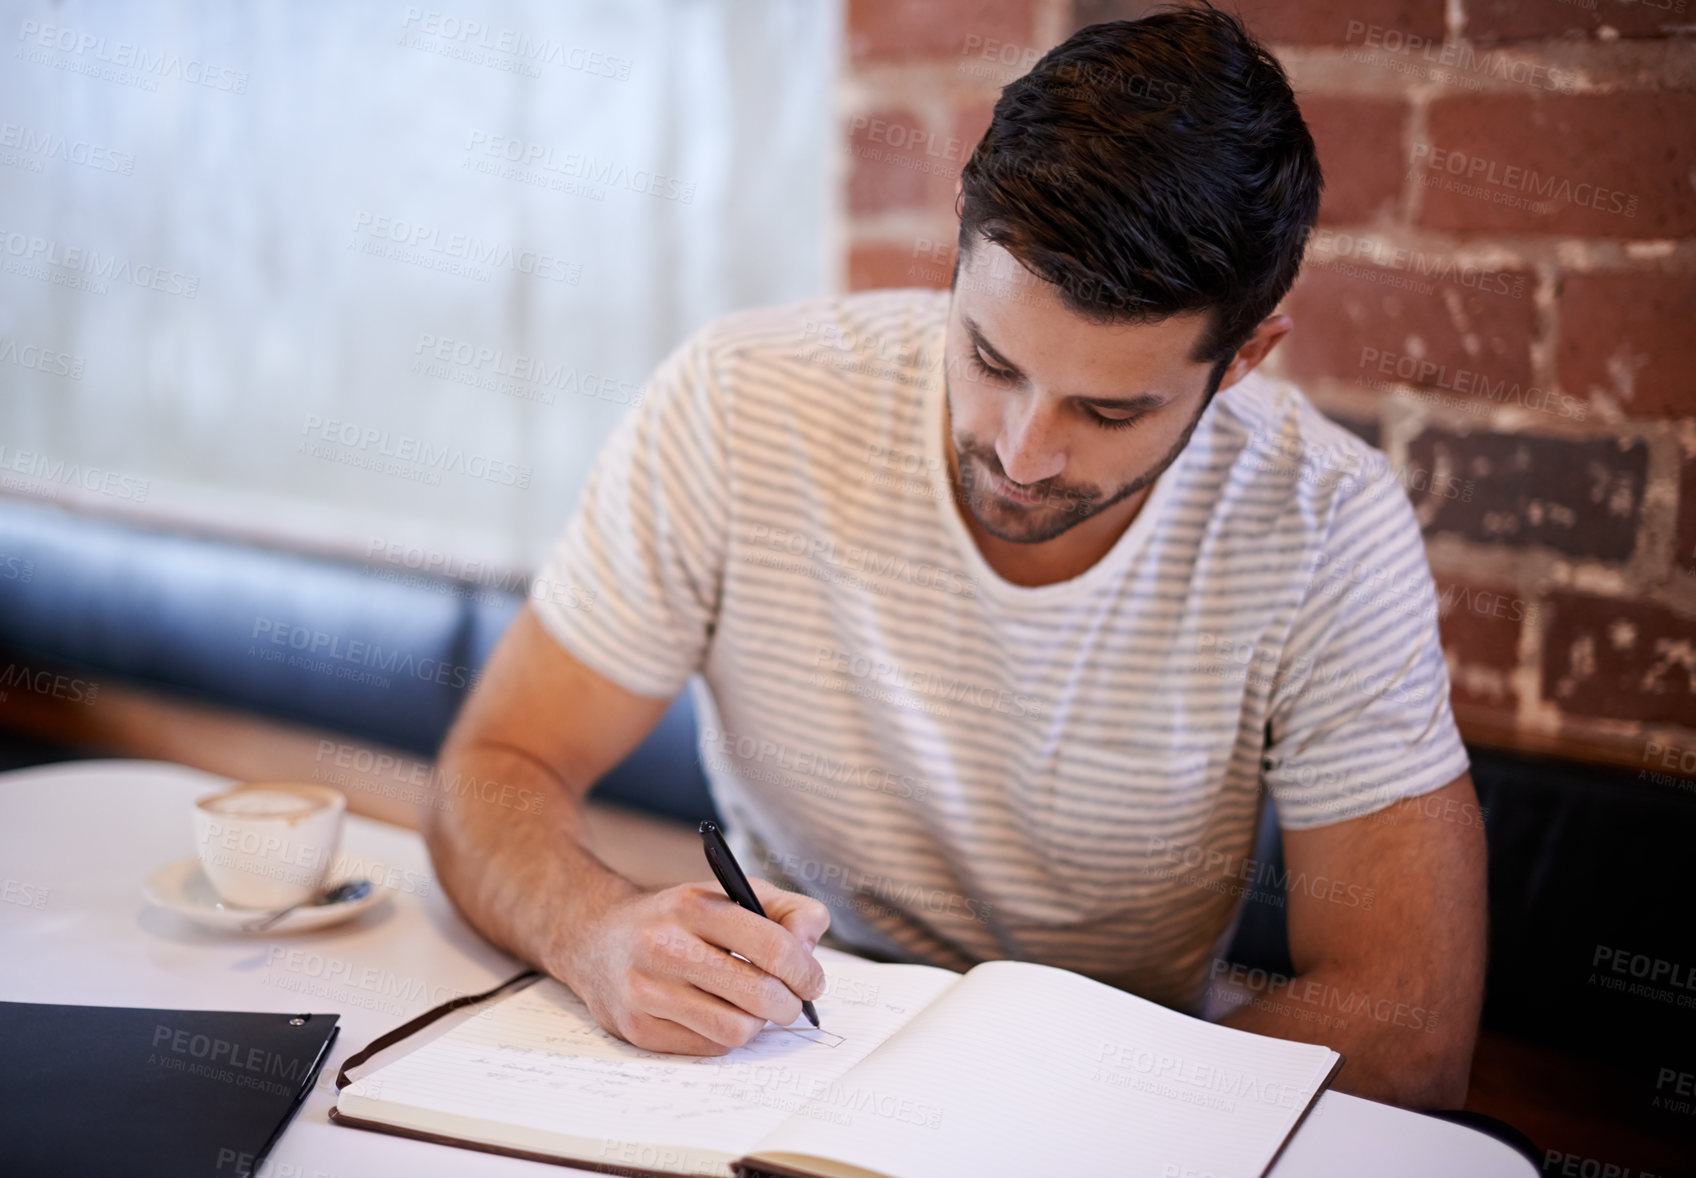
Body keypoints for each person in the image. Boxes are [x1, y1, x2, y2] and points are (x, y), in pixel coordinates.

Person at [423, 2, 1486, 1110]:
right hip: (775, 1065)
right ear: (960, 254)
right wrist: (590, 929)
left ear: (1241, 359)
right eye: (989, 355)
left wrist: (1019, 1116)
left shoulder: (1326, 525)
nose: (1022, 451)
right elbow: (496, 764)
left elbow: (1406, 1021)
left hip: (1114, 1110)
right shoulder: (740, 405)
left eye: (1108, 408)